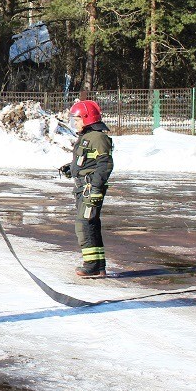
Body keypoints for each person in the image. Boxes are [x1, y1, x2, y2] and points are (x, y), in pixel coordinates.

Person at [59, 99, 114, 278]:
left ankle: (91, 266)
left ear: (87, 118)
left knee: (83, 224)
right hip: (84, 188)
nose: (75, 123)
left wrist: (96, 189)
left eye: (77, 119)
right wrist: (72, 168)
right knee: (91, 224)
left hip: (91, 189)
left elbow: (104, 164)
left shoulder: (98, 138)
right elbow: (89, 161)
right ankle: (98, 266)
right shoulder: (87, 137)